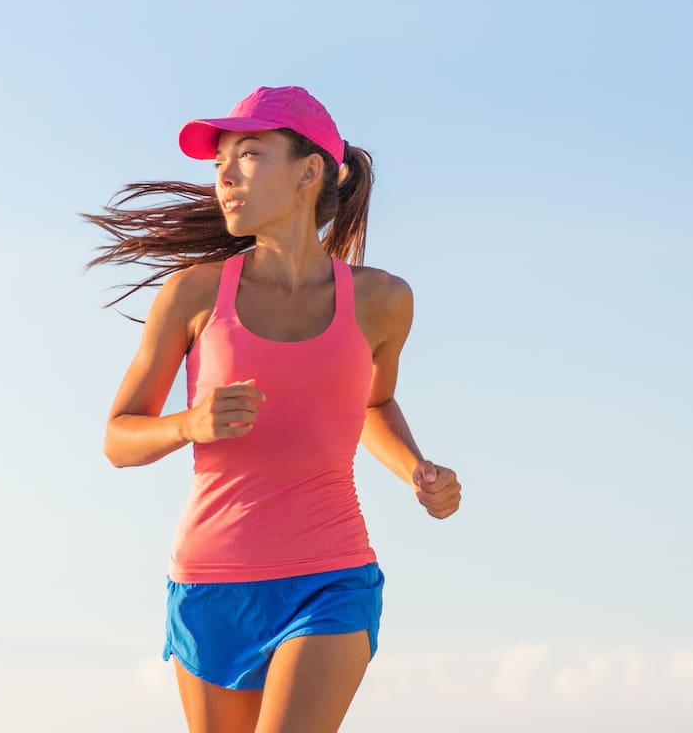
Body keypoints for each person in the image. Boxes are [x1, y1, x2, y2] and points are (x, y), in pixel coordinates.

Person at [85, 86, 462, 733]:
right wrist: (190, 424)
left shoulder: (381, 301)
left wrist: (418, 471)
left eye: (250, 154)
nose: (226, 176)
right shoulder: (194, 295)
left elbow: (375, 401)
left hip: (331, 575)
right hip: (211, 581)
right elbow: (118, 438)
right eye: (219, 164)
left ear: (309, 171)